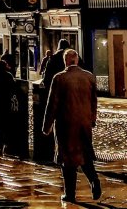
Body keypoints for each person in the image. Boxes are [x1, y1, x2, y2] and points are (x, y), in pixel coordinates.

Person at [43, 48, 102, 204]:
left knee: (68, 160)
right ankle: (94, 180)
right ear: (77, 60)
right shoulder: (89, 77)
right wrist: (92, 119)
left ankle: (70, 194)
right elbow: (94, 101)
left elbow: (52, 104)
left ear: (65, 61)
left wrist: (47, 126)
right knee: (85, 155)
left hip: (66, 124)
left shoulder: (59, 78)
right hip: (84, 124)